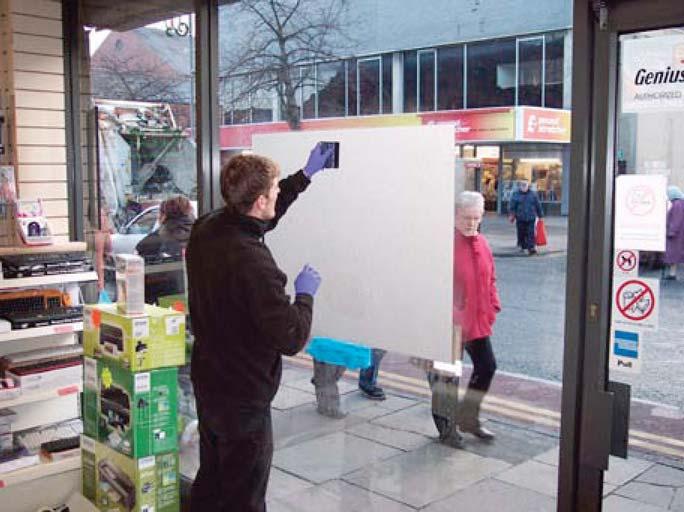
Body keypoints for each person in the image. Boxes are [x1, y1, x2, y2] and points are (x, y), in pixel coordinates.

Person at [186, 143, 332, 512]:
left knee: (213, 478)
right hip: (243, 397)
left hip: (208, 380)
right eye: (276, 189)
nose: (279, 193)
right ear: (261, 200)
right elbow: (291, 336)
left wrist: (305, 176)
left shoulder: (207, 227)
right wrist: (305, 296)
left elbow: (260, 218)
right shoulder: (254, 263)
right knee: (244, 496)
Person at [429, 191, 501, 448]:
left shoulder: (482, 243)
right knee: (446, 379)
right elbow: (434, 285)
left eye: (476, 218)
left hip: (478, 322)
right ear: (455, 217)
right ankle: (447, 431)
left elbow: (491, 277)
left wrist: (493, 305)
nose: (471, 223)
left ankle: (468, 417)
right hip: (452, 324)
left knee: (487, 367)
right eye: (466, 217)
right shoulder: (445, 245)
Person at [509, 179, 544, 255]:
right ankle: (523, 245)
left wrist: (540, 215)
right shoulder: (515, 194)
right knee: (521, 232)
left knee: (530, 232)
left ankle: (531, 247)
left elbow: (538, 205)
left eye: (525, 185)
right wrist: (512, 214)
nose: (524, 186)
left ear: (528, 186)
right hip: (520, 217)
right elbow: (512, 206)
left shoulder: (533, 194)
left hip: (531, 217)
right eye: (522, 185)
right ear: (520, 186)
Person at [664, 185, 684, 280]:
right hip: (678, 233)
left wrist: (672, 231)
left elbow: (676, 219)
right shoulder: (680, 203)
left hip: (676, 235)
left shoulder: (677, 204)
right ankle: (672, 273)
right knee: (675, 255)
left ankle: (672, 274)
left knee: (674, 254)